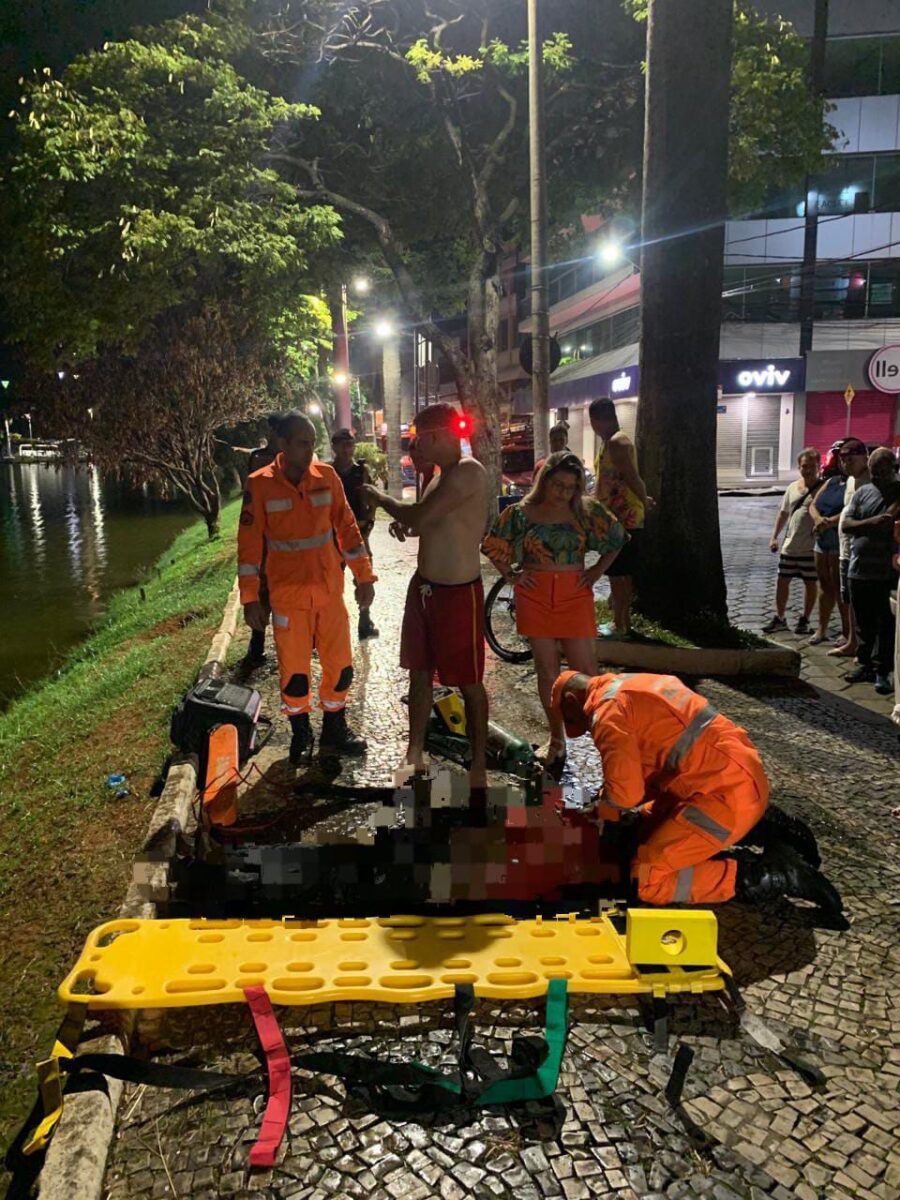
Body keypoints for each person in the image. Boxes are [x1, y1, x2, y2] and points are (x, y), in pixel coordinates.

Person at [550, 670, 843, 915]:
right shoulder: (631, 685)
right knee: (645, 827)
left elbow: (625, 794)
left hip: (722, 798)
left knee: (648, 879)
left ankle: (771, 874)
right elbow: (648, 773)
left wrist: (602, 811)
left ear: (574, 700)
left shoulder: (607, 714)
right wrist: (607, 806)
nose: (585, 730)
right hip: (736, 775)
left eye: (578, 723)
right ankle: (759, 824)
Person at [361, 403, 489, 787]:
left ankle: (479, 764)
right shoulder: (439, 476)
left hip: (457, 593)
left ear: (435, 436)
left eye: (419, 439)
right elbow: (429, 521)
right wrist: (412, 529)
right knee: (418, 671)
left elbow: (419, 515)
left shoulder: (468, 472)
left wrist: (381, 499)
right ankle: (414, 751)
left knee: (469, 683)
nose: (416, 448)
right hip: (425, 588)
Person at [238, 412, 375, 765]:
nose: (310, 449)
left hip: (329, 592)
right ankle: (301, 733)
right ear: (282, 445)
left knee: (340, 665)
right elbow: (249, 547)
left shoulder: (326, 477)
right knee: (295, 672)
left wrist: (364, 576)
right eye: (303, 443)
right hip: (287, 597)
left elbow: (347, 530)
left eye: (313, 443)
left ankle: (335, 728)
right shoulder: (260, 484)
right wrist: (251, 597)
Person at [482, 451, 626, 768]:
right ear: (544, 479)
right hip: (534, 597)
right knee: (547, 673)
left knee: (587, 673)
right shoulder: (522, 512)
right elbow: (492, 543)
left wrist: (597, 571)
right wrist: (510, 575)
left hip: (574, 594)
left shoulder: (585, 510)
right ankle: (557, 740)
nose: (563, 492)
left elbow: (617, 538)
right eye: (557, 484)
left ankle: (610, 740)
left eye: (571, 487)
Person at [589, 397, 652, 636]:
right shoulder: (611, 442)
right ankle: (622, 623)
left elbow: (632, 477)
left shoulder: (617, 443)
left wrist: (644, 501)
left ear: (596, 421)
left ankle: (620, 624)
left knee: (618, 575)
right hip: (614, 517)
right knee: (619, 574)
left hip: (623, 519)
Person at [841, 446, 900, 693]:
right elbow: (847, 524)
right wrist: (871, 523)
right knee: (863, 622)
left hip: (885, 571)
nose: (877, 477)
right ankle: (864, 663)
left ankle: (882, 670)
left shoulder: (898, 493)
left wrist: (867, 526)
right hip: (859, 568)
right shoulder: (863, 492)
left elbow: (889, 523)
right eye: (874, 472)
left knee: (885, 623)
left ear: (893, 470)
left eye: (883, 472)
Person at [763, 448, 821, 635]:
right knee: (782, 582)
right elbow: (783, 514)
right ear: (799, 467)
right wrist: (774, 537)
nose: (808, 470)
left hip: (811, 549)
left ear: (818, 466)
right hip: (790, 546)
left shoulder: (823, 488)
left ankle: (805, 619)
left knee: (810, 584)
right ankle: (780, 618)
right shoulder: (792, 487)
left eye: (812, 466)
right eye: (804, 466)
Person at [331, 427, 379, 640]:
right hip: (332, 536)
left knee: (363, 578)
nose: (346, 448)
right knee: (331, 580)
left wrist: (368, 524)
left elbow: (371, 500)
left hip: (358, 533)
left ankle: (364, 619)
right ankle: (329, 625)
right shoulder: (327, 472)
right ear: (334, 447)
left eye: (349, 444)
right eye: (342, 444)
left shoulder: (362, 471)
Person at [243, 414, 283, 664]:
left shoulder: (292, 460)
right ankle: (257, 642)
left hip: (287, 537)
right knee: (262, 590)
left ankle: (297, 640)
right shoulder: (257, 458)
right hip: (264, 537)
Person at [830, 440, 871, 658]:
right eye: (843, 461)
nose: (846, 464)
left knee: (861, 602)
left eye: (851, 460)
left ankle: (864, 648)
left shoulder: (871, 481)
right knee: (849, 600)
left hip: (861, 552)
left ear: (865, 458)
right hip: (845, 550)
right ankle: (852, 642)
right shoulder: (851, 480)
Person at [807, 444, 849, 645]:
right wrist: (818, 520)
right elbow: (813, 504)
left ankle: (847, 632)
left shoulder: (855, 485)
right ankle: (822, 628)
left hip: (837, 541)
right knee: (824, 586)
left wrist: (829, 522)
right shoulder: (831, 481)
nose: (842, 463)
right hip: (821, 540)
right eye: (840, 459)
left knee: (840, 588)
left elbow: (850, 510)